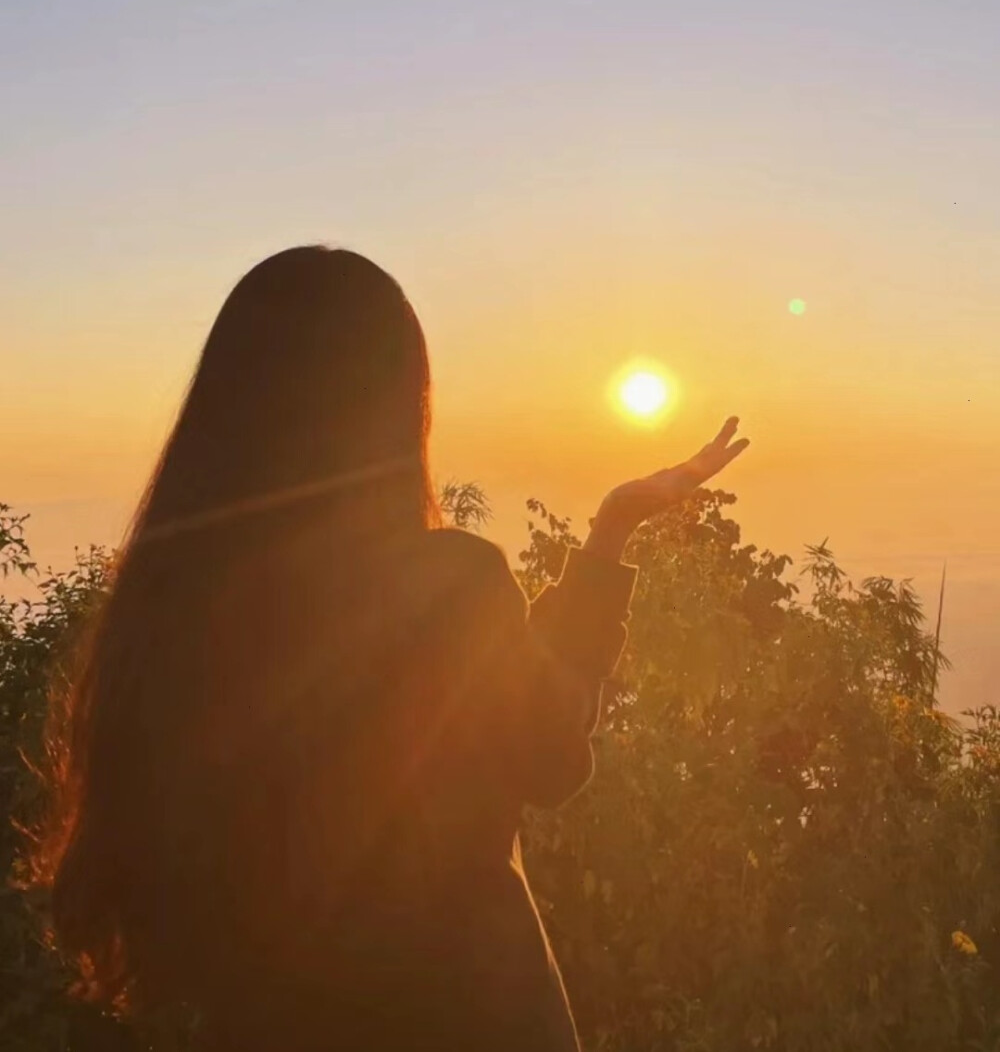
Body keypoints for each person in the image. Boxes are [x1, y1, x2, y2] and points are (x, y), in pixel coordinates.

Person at [34, 246, 748, 1051]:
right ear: (395, 404)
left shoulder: (176, 609)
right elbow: (549, 755)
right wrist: (610, 535)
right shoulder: (447, 581)